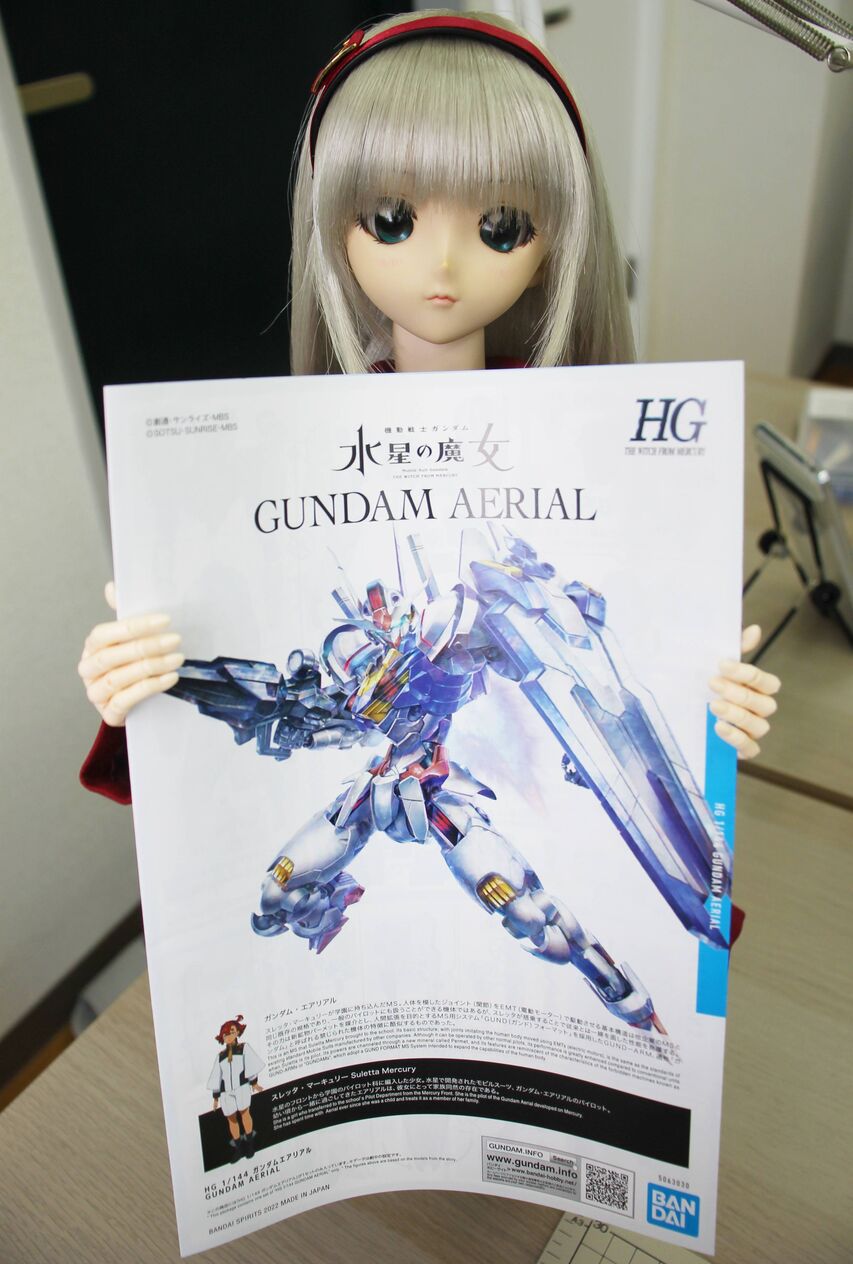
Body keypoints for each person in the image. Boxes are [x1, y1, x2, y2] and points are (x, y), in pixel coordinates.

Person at [78, 10, 780, 791]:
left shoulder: (588, 449)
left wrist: (702, 692)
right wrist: (144, 681)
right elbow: (235, 761)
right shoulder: (282, 466)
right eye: (392, 221)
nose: (442, 265)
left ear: (557, 241)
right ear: (333, 225)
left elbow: (620, 646)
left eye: (501, 226)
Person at [208, 1016, 264, 1162]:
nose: (228, 1036)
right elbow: (217, 1076)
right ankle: (239, 1149)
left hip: (242, 1087)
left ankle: (250, 1145)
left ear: (238, 1032)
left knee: (245, 1113)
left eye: (231, 1032)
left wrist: (254, 1083)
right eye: (225, 1034)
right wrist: (215, 1097)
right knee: (231, 1119)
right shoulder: (220, 1056)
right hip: (226, 1092)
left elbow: (250, 1065)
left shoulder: (243, 1048)